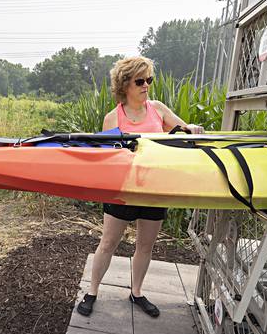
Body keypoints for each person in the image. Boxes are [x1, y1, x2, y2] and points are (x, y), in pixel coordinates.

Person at [76, 56, 204, 318]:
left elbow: (184, 129)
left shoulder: (158, 109)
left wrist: (191, 128)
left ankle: (136, 292)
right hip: (123, 190)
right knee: (108, 242)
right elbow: (107, 159)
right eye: (140, 81)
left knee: (146, 245)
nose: (146, 85)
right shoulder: (113, 118)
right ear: (125, 85)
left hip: (154, 189)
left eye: (149, 79)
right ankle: (92, 292)